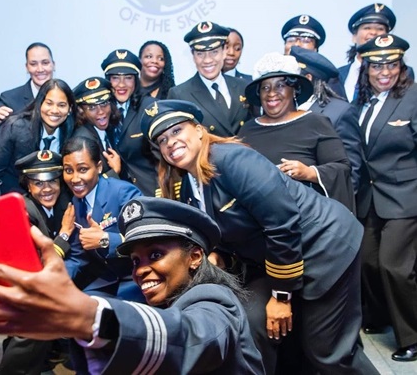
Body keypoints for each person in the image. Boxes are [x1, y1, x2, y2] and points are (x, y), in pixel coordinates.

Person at [141, 99, 378, 375]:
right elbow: (225, 230)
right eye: (162, 139)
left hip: (326, 249)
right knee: (260, 325)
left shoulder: (231, 159)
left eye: (177, 131)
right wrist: (219, 254)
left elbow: (282, 223)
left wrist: (281, 296)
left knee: (328, 352)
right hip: (280, 258)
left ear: (199, 130)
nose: (170, 142)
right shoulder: (188, 186)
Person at [0, 197, 266, 375]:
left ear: (195, 257)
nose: (141, 270)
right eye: (136, 261)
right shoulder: (168, 303)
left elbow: (190, 338)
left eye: (156, 255)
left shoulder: (216, 301)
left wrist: (90, 316)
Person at [355, 34, 417, 362]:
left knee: (395, 267)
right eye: (377, 65)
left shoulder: (412, 98)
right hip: (373, 198)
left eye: (391, 64)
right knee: (367, 261)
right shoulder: (364, 101)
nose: (384, 72)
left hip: (406, 198)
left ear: (401, 66)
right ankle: (379, 318)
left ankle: (412, 335)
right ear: (366, 68)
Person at [239, 52, 354, 212]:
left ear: (295, 90)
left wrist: (309, 173)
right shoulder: (248, 130)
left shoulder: (315, 122)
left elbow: (342, 167)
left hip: (308, 219)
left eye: (280, 85)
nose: (272, 93)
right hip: (259, 220)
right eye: (265, 87)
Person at [0, 150, 74, 375]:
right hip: (24, 281)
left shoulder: (66, 204)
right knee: (35, 326)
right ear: (28, 186)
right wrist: (65, 235)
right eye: (38, 183)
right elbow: (38, 265)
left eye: (52, 181)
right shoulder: (23, 212)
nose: (47, 189)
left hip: (54, 278)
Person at [62, 136, 144, 302]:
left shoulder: (123, 193)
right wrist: (54, 277)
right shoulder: (76, 203)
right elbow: (78, 257)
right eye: (68, 170)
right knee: (77, 308)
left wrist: (106, 240)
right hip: (106, 279)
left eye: (83, 169)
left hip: (136, 275)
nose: (75, 179)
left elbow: (146, 238)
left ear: (98, 167)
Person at [291, 46, 363, 194]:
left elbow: (351, 171)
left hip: (325, 205)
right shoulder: (284, 109)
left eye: (290, 77)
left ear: (307, 78)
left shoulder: (340, 112)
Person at [168, 21, 251, 137]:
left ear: (224, 52)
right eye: (200, 54)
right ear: (193, 56)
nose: (207, 60)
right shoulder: (179, 95)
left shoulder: (243, 86)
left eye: (214, 52)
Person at [0, 78, 76, 194]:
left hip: (49, 201)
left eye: (62, 105)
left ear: (70, 109)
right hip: (12, 198)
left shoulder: (72, 133)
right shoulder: (15, 127)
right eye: (49, 103)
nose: (55, 110)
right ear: (39, 104)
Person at [101, 49, 159, 196]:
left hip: (150, 191)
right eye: (115, 78)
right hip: (114, 193)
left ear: (136, 80)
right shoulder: (100, 111)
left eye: (128, 78)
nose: (121, 84)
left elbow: (163, 157)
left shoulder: (150, 108)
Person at [338, 3, 402, 102]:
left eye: (380, 29)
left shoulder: (399, 73)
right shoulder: (337, 75)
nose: (373, 33)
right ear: (354, 37)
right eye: (367, 28)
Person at [281, 14, 346, 98]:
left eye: (306, 41)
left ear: (315, 48)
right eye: (291, 40)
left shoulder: (328, 78)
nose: (297, 44)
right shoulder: (271, 74)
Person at [72, 76, 122, 176]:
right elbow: (85, 183)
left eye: (104, 104)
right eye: (92, 107)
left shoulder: (108, 129)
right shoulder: (82, 141)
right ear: (81, 111)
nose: (100, 112)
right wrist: (115, 171)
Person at [0, 42, 56, 125]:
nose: (40, 69)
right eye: (33, 64)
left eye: (45, 63)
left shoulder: (67, 97)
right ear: (27, 68)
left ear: (53, 65)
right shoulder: (9, 99)